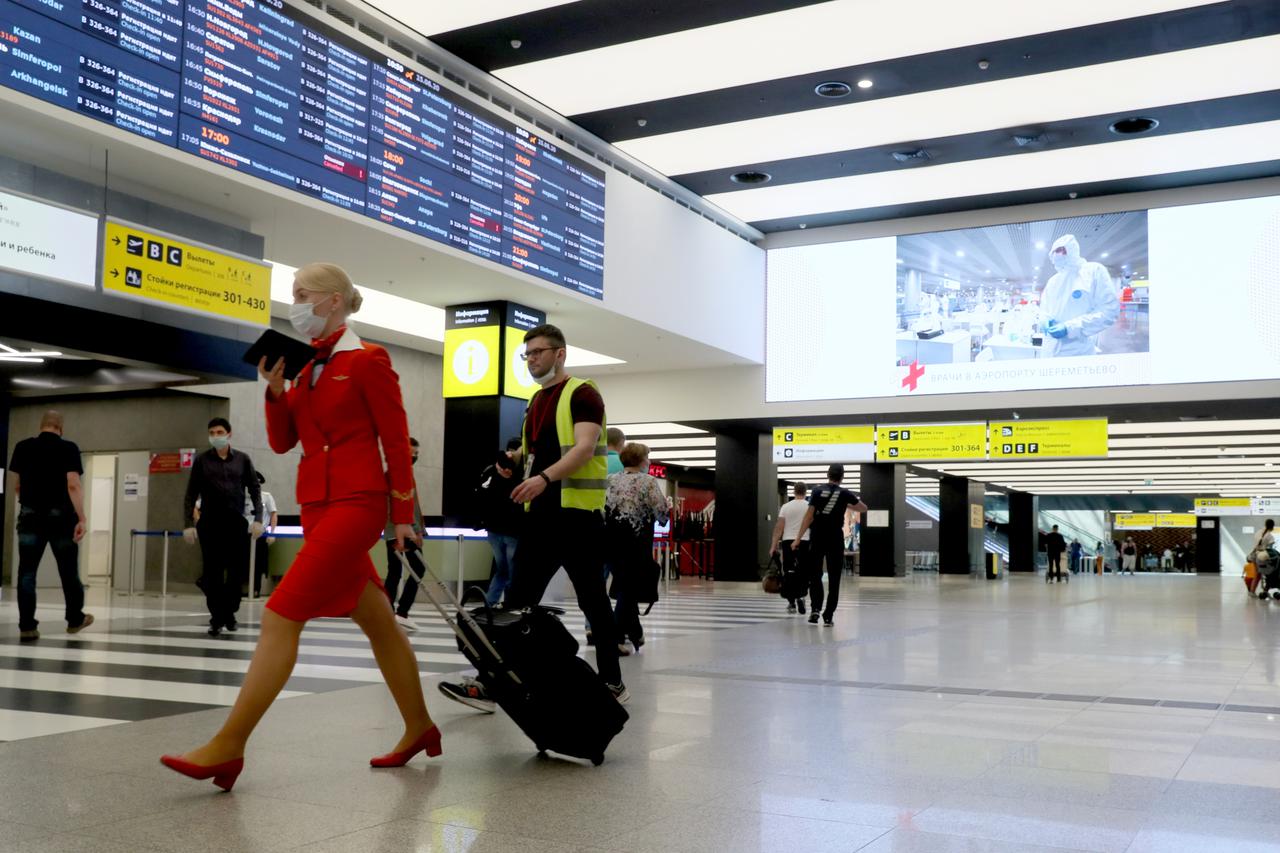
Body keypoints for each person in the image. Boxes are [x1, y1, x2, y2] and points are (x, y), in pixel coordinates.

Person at [162, 262, 438, 791]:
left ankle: (229, 745)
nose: (296, 304)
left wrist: (402, 514)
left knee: (280, 614)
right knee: (379, 622)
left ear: (333, 300)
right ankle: (419, 726)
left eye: (302, 294)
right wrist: (274, 391)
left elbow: (396, 440)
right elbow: (286, 442)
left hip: (358, 503)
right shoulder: (306, 367)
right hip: (317, 505)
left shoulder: (368, 360)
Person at [438, 323, 628, 712]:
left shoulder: (583, 394)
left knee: (593, 601)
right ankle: (495, 682)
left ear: (560, 354)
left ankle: (612, 681)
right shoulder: (535, 402)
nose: (532, 360)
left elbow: (584, 447)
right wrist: (515, 463)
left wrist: (543, 477)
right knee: (516, 602)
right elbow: (534, 452)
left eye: (538, 352)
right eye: (527, 354)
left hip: (577, 516)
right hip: (541, 517)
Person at [9, 411, 93, 641]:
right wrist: (82, 518)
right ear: (60, 428)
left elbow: (18, 485)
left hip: (30, 516)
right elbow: (73, 484)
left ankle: (27, 626)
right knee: (68, 571)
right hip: (61, 518)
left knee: (27, 572)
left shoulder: (22, 447)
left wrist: (28, 504)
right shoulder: (68, 448)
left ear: (42, 425)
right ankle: (74, 619)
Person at [183, 418, 263, 635]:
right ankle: (217, 617)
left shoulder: (243, 460)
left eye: (219, 431)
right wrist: (188, 524)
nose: (215, 435)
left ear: (229, 434)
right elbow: (191, 493)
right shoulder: (201, 461)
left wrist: (258, 518)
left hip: (235, 522)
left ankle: (230, 611)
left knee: (236, 572)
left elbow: (255, 489)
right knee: (212, 573)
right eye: (211, 432)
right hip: (210, 523)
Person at [605, 442, 668, 653]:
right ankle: (616, 638)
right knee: (628, 588)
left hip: (612, 541)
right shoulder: (648, 481)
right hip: (637, 542)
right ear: (642, 461)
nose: (649, 461)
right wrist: (667, 509)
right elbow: (661, 513)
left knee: (625, 586)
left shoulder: (611, 480)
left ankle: (636, 632)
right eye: (647, 458)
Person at [793, 464, 867, 626]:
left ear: (828, 474)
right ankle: (828, 615)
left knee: (815, 574)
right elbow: (863, 508)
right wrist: (845, 504)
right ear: (842, 477)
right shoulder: (845, 493)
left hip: (818, 536)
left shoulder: (817, 491)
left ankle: (815, 610)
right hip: (835, 538)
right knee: (834, 577)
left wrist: (798, 538)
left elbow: (809, 516)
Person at [1039, 234, 1120, 358]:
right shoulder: (1053, 281)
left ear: (1072, 249)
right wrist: (1044, 319)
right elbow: (1044, 310)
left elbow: (1109, 311)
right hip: (1049, 350)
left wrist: (1069, 327)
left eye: (1061, 250)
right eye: (1054, 251)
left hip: (1077, 352)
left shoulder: (1093, 271)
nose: (1057, 254)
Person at [382, 437, 426, 631]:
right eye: (412, 454)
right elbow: (399, 506)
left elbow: (413, 506)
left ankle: (392, 612)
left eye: (416, 454)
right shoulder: (396, 475)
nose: (414, 458)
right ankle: (400, 612)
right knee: (417, 568)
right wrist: (414, 530)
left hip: (397, 530)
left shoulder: (402, 474)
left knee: (395, 571)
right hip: (400, 530)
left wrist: (419, 529)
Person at [479, 438, 522, 607]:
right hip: (513, 530)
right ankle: (510, 606)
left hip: (493, 529)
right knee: (513, 573)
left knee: (501, 571)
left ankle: (489, 604)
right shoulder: (520, 473)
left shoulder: (491, 470)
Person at [768, 482, 810, 614]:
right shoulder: (809, 506)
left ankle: (791, 602)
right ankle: (801, 596)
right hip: (804, 541)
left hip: (787, 542)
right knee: (803, 571)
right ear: (805, 492)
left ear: (794, 492)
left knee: (789, 571)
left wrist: (773, 546)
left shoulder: (785, 507)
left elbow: (779, 527)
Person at [248, 472, 278, 597]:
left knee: (258, 564)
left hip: (260, 535)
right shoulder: (242, 496)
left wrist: (272, 533)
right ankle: (243, 590)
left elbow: (273, 514)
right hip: (244, 535)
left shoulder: (266, 497)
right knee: (242, 563)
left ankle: (255, 590)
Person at [1251, 519, 1280, 600]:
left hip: (1255, 555)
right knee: (1270, 574)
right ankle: (1266, 590)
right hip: (1264, 557)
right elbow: (1270, 549)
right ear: (1272, 526)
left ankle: (1252, 592)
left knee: (1257, 574)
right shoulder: (1269, 536)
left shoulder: (1258, 532)